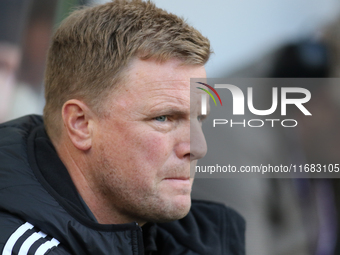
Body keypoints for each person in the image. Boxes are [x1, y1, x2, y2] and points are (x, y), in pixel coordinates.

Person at [0, 0, 245, 254]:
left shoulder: (200, 237)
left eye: (199, 119)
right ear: (80, 124)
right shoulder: (21, 244)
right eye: (163, 118)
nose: (198, 148)